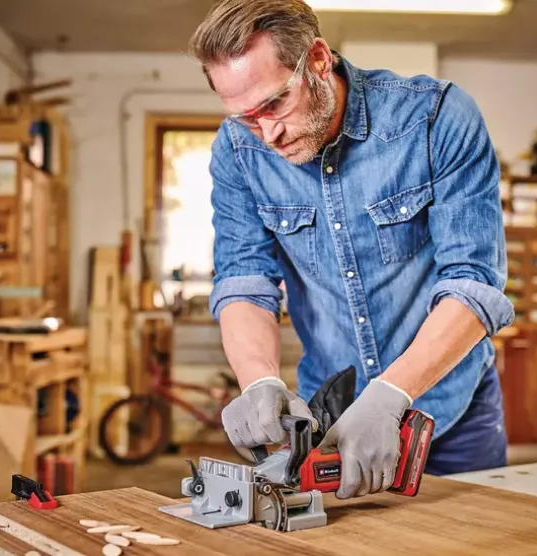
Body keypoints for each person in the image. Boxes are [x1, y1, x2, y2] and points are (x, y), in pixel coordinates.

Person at [188, 0, 515, 499]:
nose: (268, 134)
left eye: (275, 103)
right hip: (329, 414)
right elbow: (244, 280)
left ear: (319, 60)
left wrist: (390, 394)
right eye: (246, 117)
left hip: (449, 409)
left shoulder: (435, 119)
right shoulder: (238, 150)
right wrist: (258, 382)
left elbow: (472, 283)